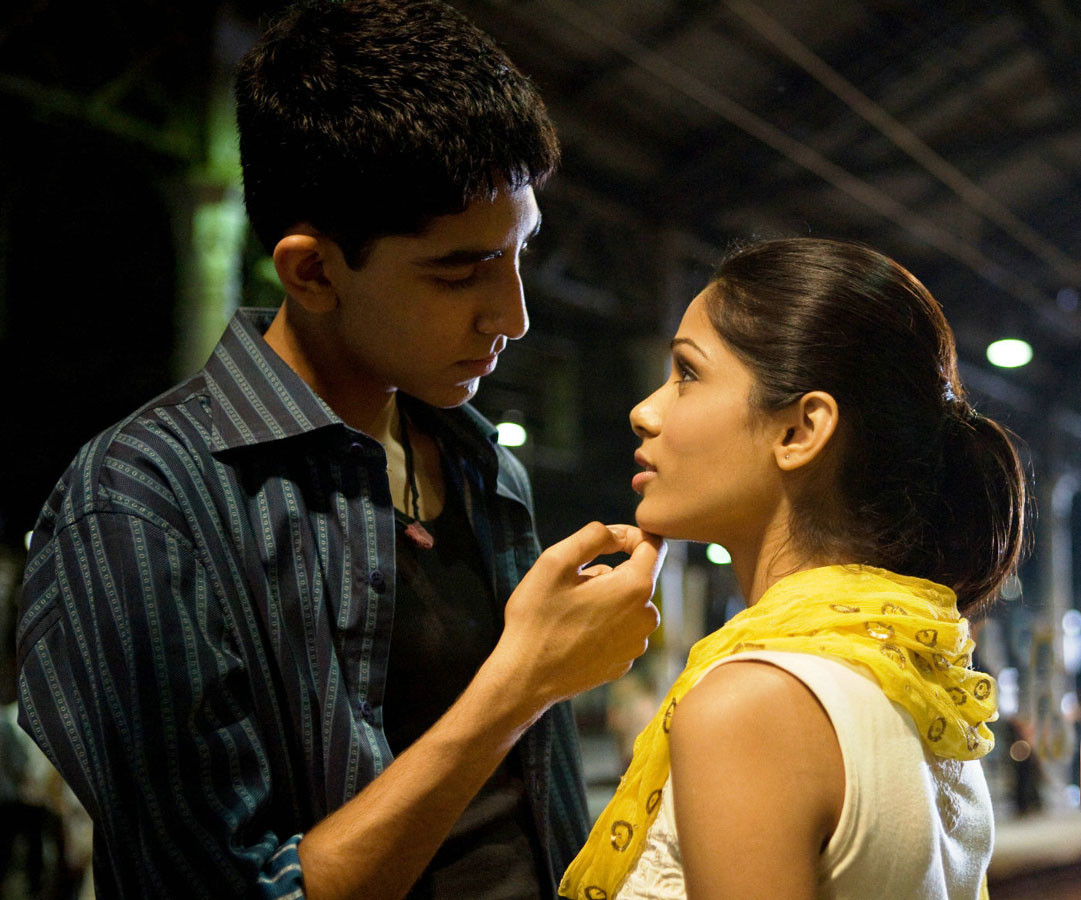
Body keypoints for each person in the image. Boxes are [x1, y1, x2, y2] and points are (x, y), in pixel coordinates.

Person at [15, 2, 664, 898]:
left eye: (520, 252)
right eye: (458, 271)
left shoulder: (482, 465)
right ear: (312, 271)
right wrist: (521, 684)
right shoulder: (141, 505)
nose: (512, 316)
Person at [560, 238, 1026, 900]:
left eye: (686, 373)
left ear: (800, 431)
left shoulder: (750, 705)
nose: (645, 411)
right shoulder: (921, 688)